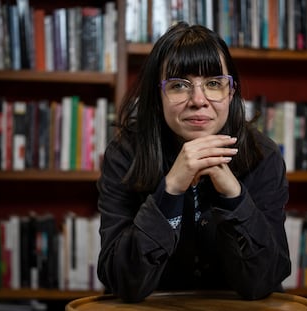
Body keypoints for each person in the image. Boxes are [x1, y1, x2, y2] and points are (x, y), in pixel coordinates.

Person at [97, 21, 291, 303]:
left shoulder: (263, 155)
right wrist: (171, 189)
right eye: (178, 85)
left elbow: (263, 282)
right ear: (157, 94)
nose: (198, 100)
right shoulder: (125, 154)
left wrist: (233, 196)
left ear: (231, 92)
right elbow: (124, 282)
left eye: (214, 83)